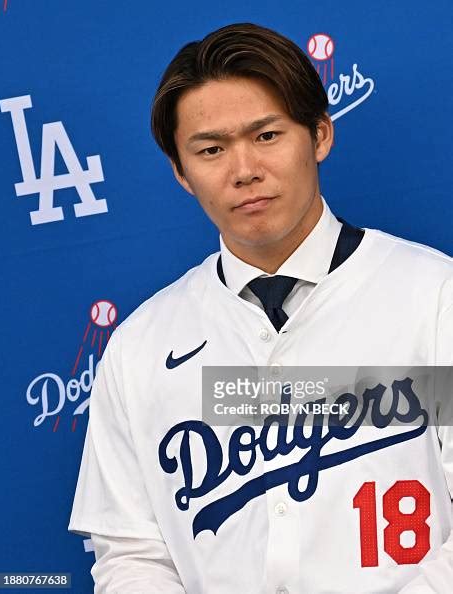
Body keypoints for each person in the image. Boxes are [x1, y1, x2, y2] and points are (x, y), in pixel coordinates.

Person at [69, 22, 453, 594]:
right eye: (211, 149)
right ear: (181, 172)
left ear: (319, 135)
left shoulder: (433, 294)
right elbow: (131, 554)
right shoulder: (140, 345)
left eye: (267, 136)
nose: (243, 169)